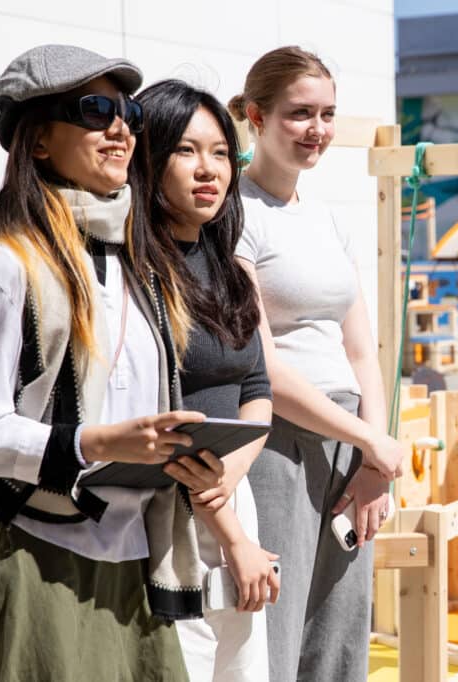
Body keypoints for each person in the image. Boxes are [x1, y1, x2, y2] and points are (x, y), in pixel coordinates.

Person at [0, 45, 214, 680]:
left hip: (135, 561)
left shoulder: (144, 270)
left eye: (130, 112)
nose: (121, 128)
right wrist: (95, 442)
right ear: (37, 141)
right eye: (95, 109)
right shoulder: (7, 271)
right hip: (39, 558)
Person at [224, 46, 404, 680]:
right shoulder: (232, 217)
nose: (317, 130)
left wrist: (375, 452)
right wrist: (370, 442)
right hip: (279, 442)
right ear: (256, 115)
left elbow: (361, 349)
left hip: (351, 442)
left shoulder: (328, 219)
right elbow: (261, 365)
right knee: (276, 623)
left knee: (341, 627)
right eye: (301, 113)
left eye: (327, 113)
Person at [133, 79, 280, 682]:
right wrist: (231, 529)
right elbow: (167, 422)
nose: (208, 169)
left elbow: (258, 390)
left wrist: (231, 486)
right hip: (168, 514)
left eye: (220, 152)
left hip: (227, 491)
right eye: (187, 151)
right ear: (148, 157)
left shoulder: (230, 271)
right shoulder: (134, 273)